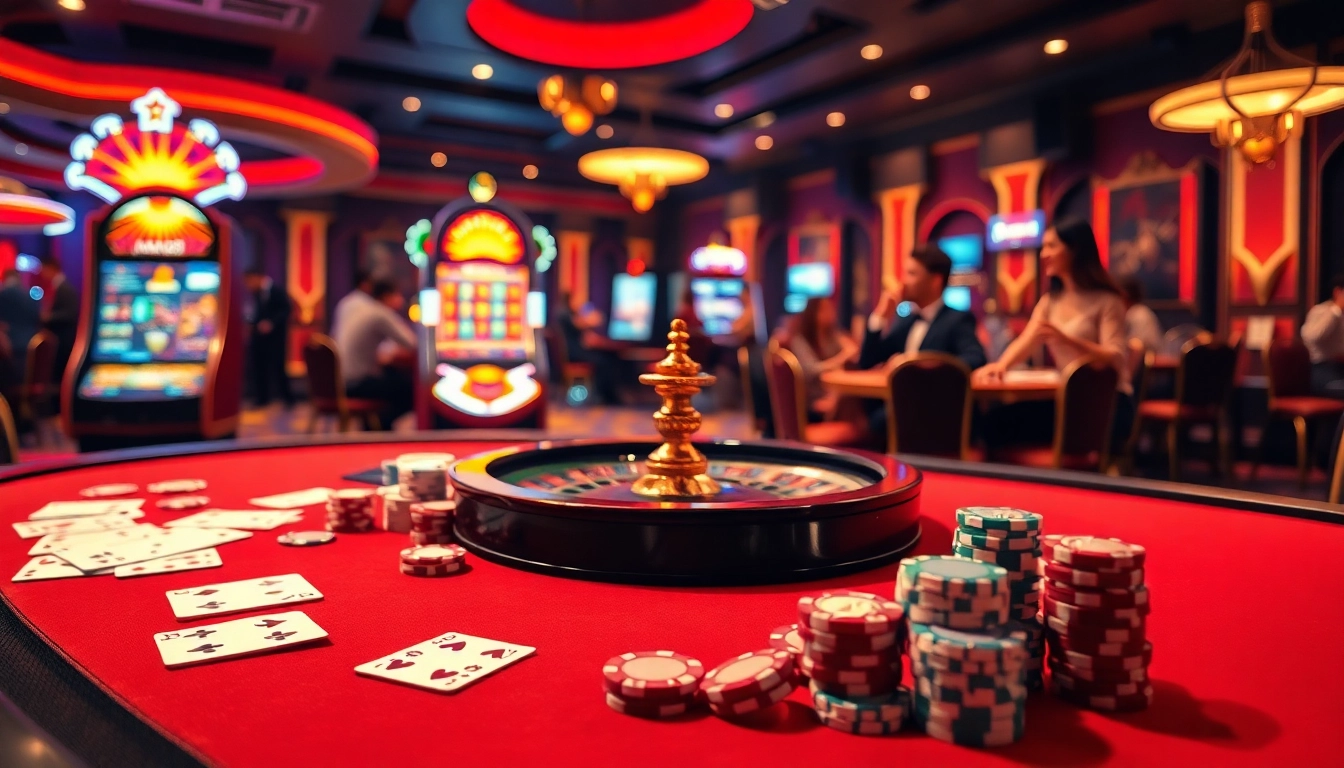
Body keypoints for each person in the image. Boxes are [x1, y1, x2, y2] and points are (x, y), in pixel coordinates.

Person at [976, 219, 1132, 448]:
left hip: (1106, 405)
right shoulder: (1050, 302)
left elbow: (1115, 356)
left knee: (1001, 427)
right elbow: (1027, 341)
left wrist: (1066, 339)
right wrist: (1001, 366)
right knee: (993, 422)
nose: (1043, 254)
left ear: (1075, 249)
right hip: (1069, 401)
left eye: (1051, 246)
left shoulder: (1108, 300)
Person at [859, 243, 987, 372]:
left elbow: (976, 358)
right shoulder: (905, 320)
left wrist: (921, 367)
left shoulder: (958, 319)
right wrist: (880, 317)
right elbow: (867, 362)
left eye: (912, 274)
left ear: (935, 281)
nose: (903, 281)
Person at [333, 279, 417, 429]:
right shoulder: (380, 313)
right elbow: (413, 344)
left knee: (395, 381)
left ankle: (375, 425)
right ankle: (381, 426)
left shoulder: (362, 308)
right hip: (357, 384)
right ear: (386, 296)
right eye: (398, 294)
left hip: (340, 381)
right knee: (414, 390)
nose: (401, 299)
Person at [785, 297, 859, 420]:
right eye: (825, 309)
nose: (831, 312)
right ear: (813, 313)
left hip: (834, 393)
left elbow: (853, 355)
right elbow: (812, 370)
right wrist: (843, 357)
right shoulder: (800, 340)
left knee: (857, 402)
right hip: (813, 399)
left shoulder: (833, 335)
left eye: (831, 308)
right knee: (853, 406)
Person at [556, 291, 622, 405]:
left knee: (609, 358)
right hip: (574, 353)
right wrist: (592, 319)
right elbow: (582, 324)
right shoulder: (564, 314)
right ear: (569, 300)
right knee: (603, 362)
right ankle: (603, 396)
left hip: (578, 351)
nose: (579, 303)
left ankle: (608, 395)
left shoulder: (569, 314)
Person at [243, 268, 294, 408]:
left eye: (249, 281)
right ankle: (262, 399)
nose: (248, 285)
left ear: (257, 277)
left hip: (275, 339)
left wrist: (271, 323)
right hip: (259, 338)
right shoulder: (254, 294)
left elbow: (286, 310)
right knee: (259, 369)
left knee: (279, 368)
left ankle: (288, 399)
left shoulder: (276, 290)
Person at [37, 255, 78, 387]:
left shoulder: (64, 288)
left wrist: (48, 317)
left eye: (43, 269)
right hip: (59, 339)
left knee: (60, 377)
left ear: (51, 268)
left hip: (64, 340)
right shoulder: (58, 287)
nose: (42, 274)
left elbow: (71, 314)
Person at [1301, 275, 1344, 398]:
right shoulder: (1321, 311)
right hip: (1322, 371)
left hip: (1340, 369)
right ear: (1338, 292)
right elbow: (1312, 337)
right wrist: (1336, 310)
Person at [0, 269, 39, 390]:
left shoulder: (3, 294)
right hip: (32, 345)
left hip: (8, 348)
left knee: (8, 388)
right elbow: (38, 317)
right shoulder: (30, 296)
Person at [1120, 276, 1164, 351]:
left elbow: (1136, 348)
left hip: (1148, 359)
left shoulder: (1139, 314)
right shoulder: (1135, 312)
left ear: (1125, 295)